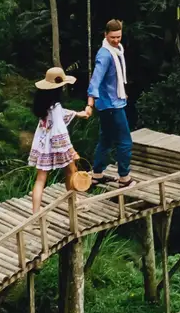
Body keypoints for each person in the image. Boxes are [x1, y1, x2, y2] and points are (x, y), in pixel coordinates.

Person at [28, 67, 92, 213]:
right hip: (57, 144)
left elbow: (58, 116)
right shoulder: (55, 106)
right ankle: (74, 203)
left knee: (40, 179)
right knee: (71, 170)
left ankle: (35, 213)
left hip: (43, 145)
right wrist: (71, 150)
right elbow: (59, 130)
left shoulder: (43, 103)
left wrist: (77, 114)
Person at [87, 19, 134, 187]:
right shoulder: (105, 55)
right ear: (105, 35)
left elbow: (114, 80)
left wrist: (122, 94)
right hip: (111, 106)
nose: (116, 40)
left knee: (106, 139)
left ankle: (97, 175)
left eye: (118, 37)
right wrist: (90, 102)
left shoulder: (116, 51)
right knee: (125, 141)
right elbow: (96, 79)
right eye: (112, 37)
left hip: (113, 102)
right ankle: (124, 178)